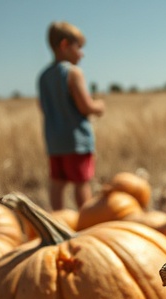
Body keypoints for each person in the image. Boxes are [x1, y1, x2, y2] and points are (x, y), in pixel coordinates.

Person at [38, 21, 105, 211]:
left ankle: (57, 220)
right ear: (65, 45)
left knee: (57, 182)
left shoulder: (43, 76)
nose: (82, 54)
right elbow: (85, 106)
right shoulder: (73, 73)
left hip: (54, 141)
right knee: (81, 182)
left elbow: (44, 107)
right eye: (79, 48)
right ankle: (86, 221)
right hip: (76, 141)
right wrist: (98, 106)